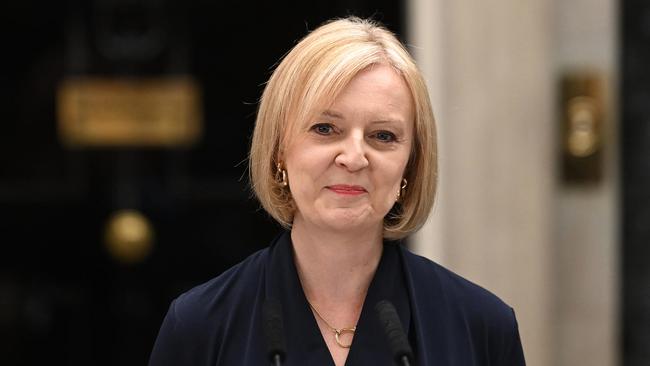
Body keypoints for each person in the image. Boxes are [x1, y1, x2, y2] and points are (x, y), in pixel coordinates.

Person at [149, 17, 525, 366]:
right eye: (326, 129)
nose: (354, 157)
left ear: (410, 164)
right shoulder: (199, 325)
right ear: (280, 150)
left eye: (383, 136)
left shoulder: (483, 327)